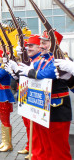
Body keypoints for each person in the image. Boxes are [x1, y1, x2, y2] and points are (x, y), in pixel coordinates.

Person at [19, 30, 72, 160]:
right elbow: (28, 72)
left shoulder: (61, 60)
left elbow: (45, 74)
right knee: (44, 147)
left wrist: (31, 72)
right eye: (41, 43)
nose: (41, 46)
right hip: (40, 107)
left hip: (56, 109)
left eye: (45, 43)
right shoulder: (41, 60)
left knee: (58, 150)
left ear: (55, 44)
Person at [5, 34, 42, 158]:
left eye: (31, 46)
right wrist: (14, 73)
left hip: (32, 94)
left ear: (39, 47)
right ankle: (30, 146)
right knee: (27, 124)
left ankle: (34, 149)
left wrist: (19, 70)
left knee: (33, 125)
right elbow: (21, 78)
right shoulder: (32, 60)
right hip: (24, 92)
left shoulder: (37, 60)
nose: (28, 48)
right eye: (27, 46)